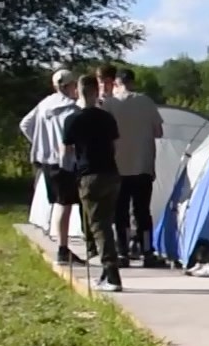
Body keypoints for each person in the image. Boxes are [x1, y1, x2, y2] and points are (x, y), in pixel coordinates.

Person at [63, 74, 123, 293]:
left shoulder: (73, 119)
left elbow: (66, 154)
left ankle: (112, 274)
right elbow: (115, 147)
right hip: (111, 173)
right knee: (107, 222)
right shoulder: (107, 118)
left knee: (99, 226)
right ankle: (106, 273)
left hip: (89, 175)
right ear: (96, 92)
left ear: (78, 91)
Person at [20, 69, 82, 262]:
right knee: (65, 204)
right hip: (66, 161)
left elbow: (25, 124)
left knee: (57, 202)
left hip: (46, 160)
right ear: (70, 86)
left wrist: (39, 143)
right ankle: (63, 248)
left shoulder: (44, 104)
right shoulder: (72, 109)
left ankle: (58, 242)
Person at [106, 66, 164, 267]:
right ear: (132, 82)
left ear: (116, 83)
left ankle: (122, 252)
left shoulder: (109, 104)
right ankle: (147, 252)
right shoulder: (146, 102)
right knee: (142, 211)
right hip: (143, 164)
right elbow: (158, 132)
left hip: (118, 166)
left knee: (120, 212)